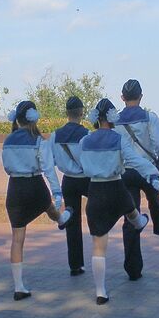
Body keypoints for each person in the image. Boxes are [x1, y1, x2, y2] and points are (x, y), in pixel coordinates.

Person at [80, 99, 153, 303]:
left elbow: (81, 164)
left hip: (95, 189)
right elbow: (134, 161)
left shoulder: (85, 141)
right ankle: (139, 221)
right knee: (130, 209)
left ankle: (100, 292)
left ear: (95, 118)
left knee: (98, 244)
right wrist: (153, 174)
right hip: (116, 187)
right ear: (113, 117)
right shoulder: (118, 138)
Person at [2, 100, 71, 300]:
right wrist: (58, 192)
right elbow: (48, 168)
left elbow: (6, 166)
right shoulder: (38, 141)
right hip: (34, 185)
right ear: (33, 118)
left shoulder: (8, 140)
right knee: (48, 205)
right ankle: (60, 218)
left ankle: (18, 286)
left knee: (17, 238)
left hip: (14, 187)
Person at [114, 79, 159, 281]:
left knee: (131, 217)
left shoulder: (116, 121)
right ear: (141, 96)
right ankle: (158, 223)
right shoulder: (149, 117)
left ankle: (133, 268)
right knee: (154, 197)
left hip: (127, 172)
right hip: (147, 170)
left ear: (122, 97)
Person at [49, 96, 91, 276]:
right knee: (95, 213)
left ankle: (75, 265)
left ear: (67, 113)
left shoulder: (55, 135)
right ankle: (99, 251)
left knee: (72, 222)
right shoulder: (87, 135)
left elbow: (49, 162)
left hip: (68, 180)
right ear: (82, 113)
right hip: (86, 179)